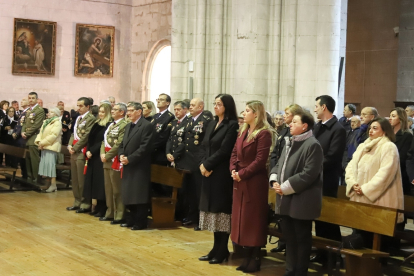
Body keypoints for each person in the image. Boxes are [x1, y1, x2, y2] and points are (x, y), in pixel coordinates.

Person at [270, 111, 323, 276]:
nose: (290, 124)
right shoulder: (290, 142)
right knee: (290, 238)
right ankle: (290, 270)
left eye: (294, 122)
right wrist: (274, 180)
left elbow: (309, 174)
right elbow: (279, 164)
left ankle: (300, 272)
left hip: (303, 200)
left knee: (301, 239)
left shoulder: (312, 145)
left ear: (304, 126)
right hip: (286, 198)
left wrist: (285, 187)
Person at [345, 117, 404, 248]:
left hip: (380, 200)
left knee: (376, 240)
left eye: (375, 128)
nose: (370, 131)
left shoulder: (388, 147)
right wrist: (353, 183)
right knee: (361, 236)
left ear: (384, 131)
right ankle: (360, 266)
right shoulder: (362, 146)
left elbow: (385, 173)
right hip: (360, 199)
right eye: (370, 128)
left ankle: (378, 266)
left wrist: (365, 189)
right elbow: (350, 167)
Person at [230, 100, 272, 273]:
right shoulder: (243, 130)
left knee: (253, 220)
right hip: (239, 180)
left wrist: (243, 173)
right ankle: (246, 256)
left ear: (256, 113)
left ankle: (255, 257)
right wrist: (233, 169)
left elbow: (260, 160)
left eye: (247, 110)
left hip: (254, 181)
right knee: (242, 219)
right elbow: (234, 152)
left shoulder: (264, 133)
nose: (244, 113)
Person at [198, 94, 239, 264]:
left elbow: (225, 150)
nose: (215, 106)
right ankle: (215, 248)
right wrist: (202, 164)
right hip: (208, 172)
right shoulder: (212, 123)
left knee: (222, 212)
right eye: (214, 103)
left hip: (221, 173)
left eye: (219, 104)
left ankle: (222, 250)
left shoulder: (232, 125)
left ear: (227, 106)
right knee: (212, 212)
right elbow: (203, 145)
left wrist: (208, 165)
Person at [312, 95, 346, 264]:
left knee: (329, 219)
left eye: (316, 106)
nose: (315, 109)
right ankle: (321, 253)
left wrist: (312, 168)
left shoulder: (337, 129)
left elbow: (333, 156)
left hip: (327, 179)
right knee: (318, 218)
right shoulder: (317, 127)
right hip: (315, 178)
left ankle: (335, 255)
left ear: (324, 107)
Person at [269, 104, 303, 254]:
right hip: (279, 172)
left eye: (287, 114)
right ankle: (283, 240)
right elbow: (276, 152)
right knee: (281, 215)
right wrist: (274, 172)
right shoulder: (284, 131)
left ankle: (287, 243)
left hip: (288, 178)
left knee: (288, 216)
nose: (284, 116)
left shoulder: (300, 137)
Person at [119, 102, 153, 230]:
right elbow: (122, 144)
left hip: (139, 166)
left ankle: (140, 222)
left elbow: (145, 147)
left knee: (139, 195)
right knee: (129, 194)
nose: (128, 113)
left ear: (139, 111)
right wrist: (121, 155)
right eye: (128, 110)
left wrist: (130, 159)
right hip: (128, 164)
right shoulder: (128, 126)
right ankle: (130, 219)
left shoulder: (146, 126)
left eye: (132, 110)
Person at [180, 98, 212, 229]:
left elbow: (206, 143)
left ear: (201, 107)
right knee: (190, 192)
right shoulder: (188, 120)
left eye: (193, 105)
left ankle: (201, 220)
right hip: (188, 161)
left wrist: (203, 161)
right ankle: (192, 216)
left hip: (199, 162)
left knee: (200, 193)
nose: (190, 107)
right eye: (190, 105)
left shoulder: (205, 121)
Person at [100, 103, 128, 224]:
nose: (112, 111)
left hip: (115, 159)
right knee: (108, 188)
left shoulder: (124, 124)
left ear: (122, 112)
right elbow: (104, 141)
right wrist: (102, 153)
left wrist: (107, 155)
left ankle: (119, 214)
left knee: (117, 189)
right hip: (106, 159)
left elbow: (119, 143)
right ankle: (110, 212)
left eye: (115, 110)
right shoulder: (111, 124)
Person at [83, 103, 112, 218]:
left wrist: (93, 151)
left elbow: (103, 141)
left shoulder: (108, 125)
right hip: (92, 156)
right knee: (94, 182)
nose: (100, 114)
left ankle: (102, 207)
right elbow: (91, 139)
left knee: (101, 184)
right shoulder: (97, 123)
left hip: (100, 156)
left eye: (103, 112)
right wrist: (88, 150)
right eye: (99, 111)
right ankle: (96, 206)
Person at [66, 97, 95, 213]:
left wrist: (76, 147)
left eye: (81, 106)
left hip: (81, 151)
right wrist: (69, 145)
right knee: (75, 179)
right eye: (78, 105)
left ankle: (85, 202)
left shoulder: (91, 118)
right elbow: (74, 133)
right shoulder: (78, 118)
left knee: (82, 179)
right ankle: (77, 201)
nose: (78, 108)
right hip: (74, 151)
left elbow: (86, 136)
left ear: (88, 107)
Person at [34, 107, 62, 193]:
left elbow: (53, 135)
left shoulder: (57, 123)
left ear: (56, 114)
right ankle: (47, 183)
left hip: (51, 147)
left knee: (50, 166)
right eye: (49, 112)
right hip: (44, 146)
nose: (48, 113)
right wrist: (39, 141)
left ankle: (53, 185)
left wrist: (42, 143)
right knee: (45, 166)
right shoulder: (46, 122)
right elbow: (41, 133)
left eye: (51, 112)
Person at [22, 92, 45, 183]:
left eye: (33, 98)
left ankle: (36, 178)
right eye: (29, 98)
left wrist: (26, 133)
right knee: (27, 158)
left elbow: (36, 125)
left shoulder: (39, 110)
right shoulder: (29, 110)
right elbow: (24, 123)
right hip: (27, 137)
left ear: (36, 99)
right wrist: (22, 132)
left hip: (34, 137)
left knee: (34, 159)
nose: (31, 100)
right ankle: (29, 176)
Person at [389, 107, 413, 195]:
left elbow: (403, 157)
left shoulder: (407, 135)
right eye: (390, 116)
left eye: (393, 116)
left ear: (401, 118)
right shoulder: (388, 134)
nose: (390, 118)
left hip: (399, 173)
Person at [151, 94, 175, 166]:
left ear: (167, 103)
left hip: (160, 153)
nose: (158, 101)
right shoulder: (155, 116)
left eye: (161, 100)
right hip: (151, 152)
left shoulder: (169, 117)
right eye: (157, 99)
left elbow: (164, 136)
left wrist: (150, 146)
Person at [166, 101, 189, 167]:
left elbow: (185, 141)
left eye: (178, 109)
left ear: (185, 110)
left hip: (182, 156)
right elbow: (170, 138)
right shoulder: (174, 122)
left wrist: (175, 155)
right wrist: (168, 153)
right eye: (175, 110)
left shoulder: (188, 122)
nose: (176, 111)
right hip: (171, 156)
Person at [12, 98, 30, 179]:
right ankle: (23, 175)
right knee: (20, 158)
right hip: (18, 138)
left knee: (23, 159)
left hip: (21, 138)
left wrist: (16, 133)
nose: (21, 102)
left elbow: (23, 125)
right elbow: (18, 124)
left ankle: (26, 175)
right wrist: (14, 132)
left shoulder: (27, 112)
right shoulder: (23, 112)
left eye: (23, 101)